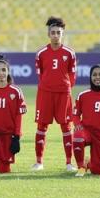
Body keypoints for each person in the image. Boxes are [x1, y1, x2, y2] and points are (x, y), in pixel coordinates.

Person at [32, 16, 77, 172]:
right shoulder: (41, 53)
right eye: (53, 32)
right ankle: (39, 162)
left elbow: (72, 75)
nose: (56, 35)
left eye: (58, 32)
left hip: (64, 93)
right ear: (48, 34)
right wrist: (48, 85)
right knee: (42, 126)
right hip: (45, 93)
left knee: (66, 126)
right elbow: (40, 74)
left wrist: (64, 87)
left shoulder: (70, 53)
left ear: (62, 34)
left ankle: (69, 163)